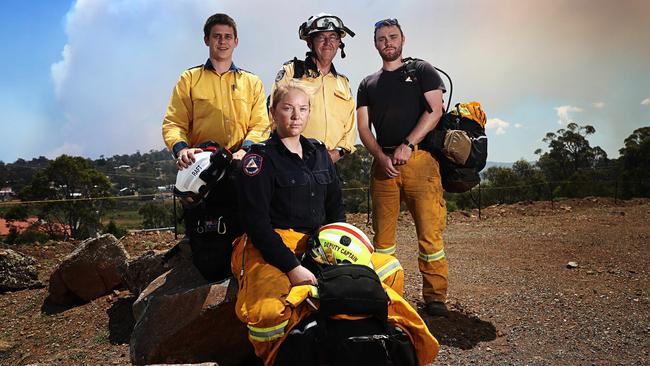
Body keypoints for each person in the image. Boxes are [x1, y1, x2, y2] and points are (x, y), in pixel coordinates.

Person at [232, 85, 408, 365]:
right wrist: (292, 267)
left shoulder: (319, 154)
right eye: (287, 108)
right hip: (274, 245)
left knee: (389, 270)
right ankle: (275, 358)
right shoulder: (259, 160)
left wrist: (339, 251)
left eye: (302, 109)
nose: (295, 116)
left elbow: (335, 208)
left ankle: (374, 344)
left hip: (322, 242)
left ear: (309, 113)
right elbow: (256, 224)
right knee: (266, 312)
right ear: (273, 113)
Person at [161, 13, 269, 281]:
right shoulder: (189, 79)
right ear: (207, 40)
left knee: (246, 227)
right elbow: (173, 122)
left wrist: (247, 148)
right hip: (202, 170)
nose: (222, 42)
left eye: (227, 37)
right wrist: (182, 149)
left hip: (240, 166)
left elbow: (261, 123)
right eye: (217, 36)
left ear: (236, 42)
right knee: (206, 242)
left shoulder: (251, 82)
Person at [357, 18, 449, 316]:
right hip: (383, 166)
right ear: (375, 43)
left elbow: (436, 110)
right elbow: (363, 127)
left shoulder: (421, 70)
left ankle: (435, 297)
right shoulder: (367, 83)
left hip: (420, 162)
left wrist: (408, 145)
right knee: (383, 242)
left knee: (430, 234)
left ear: (403, 39)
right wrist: (379, 157)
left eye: (393, 37)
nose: (388, 42)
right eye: (382, 38)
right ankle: (387, 294)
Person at [271, 13, 357, 164]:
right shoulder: (292, 73)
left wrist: (339, 152)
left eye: (333, 37)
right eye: (321, 37)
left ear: (339, 43)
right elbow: (272, 112)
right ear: (310, 42)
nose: (327, 42)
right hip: (293, 161)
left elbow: (350, 127)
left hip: (331, 164)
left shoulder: (343, 82)